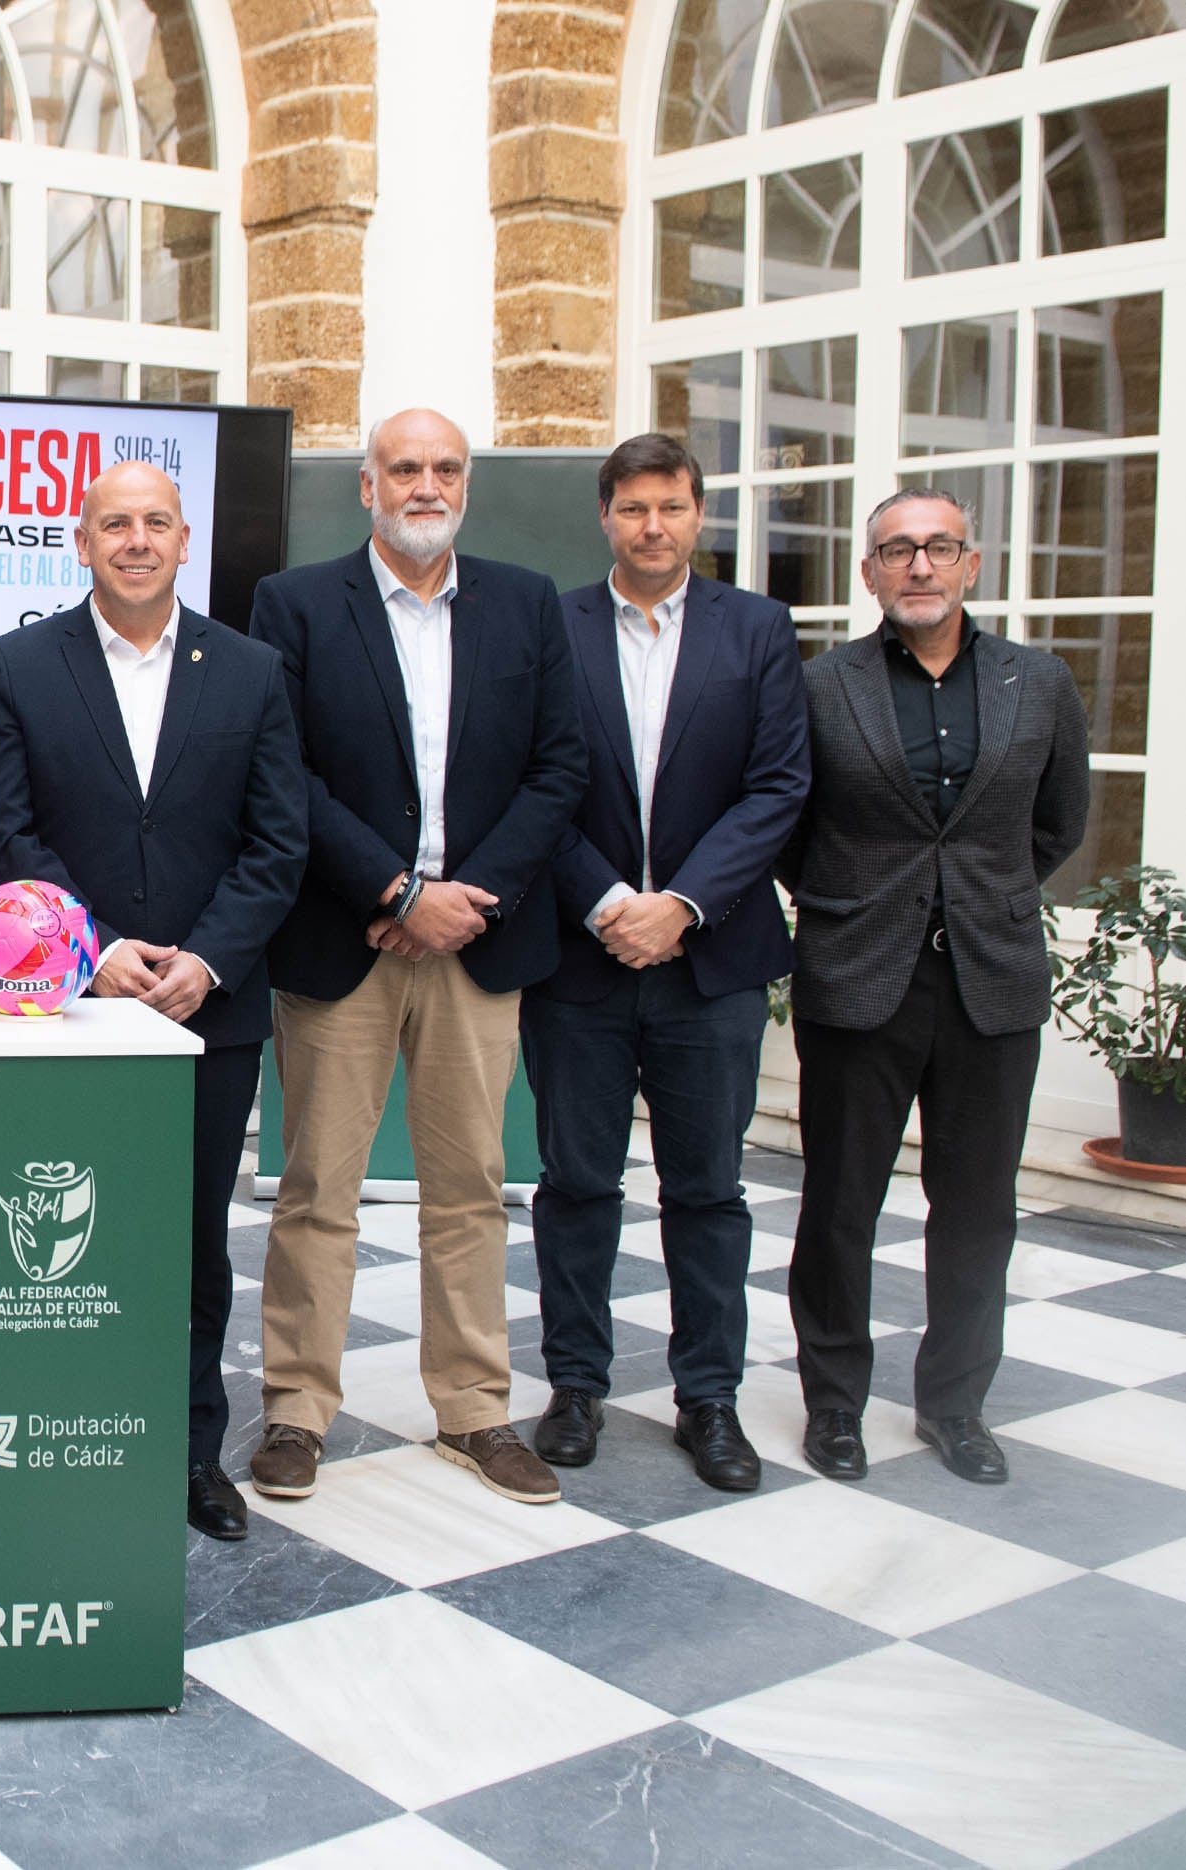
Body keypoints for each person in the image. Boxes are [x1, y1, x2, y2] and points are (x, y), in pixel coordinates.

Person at [247, 408, 588, 1508]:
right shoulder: (295, 603)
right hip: (341, 937)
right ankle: (296, 1411)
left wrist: (459, 903)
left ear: (466, 486)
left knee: (470, 1188)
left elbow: (557, 768)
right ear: (365, 485)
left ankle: (474, 1411)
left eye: (444, 468)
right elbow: (283, 773)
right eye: (404, 467)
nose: (425, 484)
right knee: (315, 1191)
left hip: (476, 943)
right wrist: (394, 891)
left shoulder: (525, 604)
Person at [0, 461, 309, 1543]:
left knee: (191, 1239)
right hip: (69, 1008)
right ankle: (71, 1436)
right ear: (78, 541)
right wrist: (98, 951)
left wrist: (202, 963)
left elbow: (276, 840)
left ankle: (188, 1452)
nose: (133, 540)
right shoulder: (17, 663)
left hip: (209, 1008)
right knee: (66, 1247)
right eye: (112, 523)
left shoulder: (250, 670)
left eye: (153, 522)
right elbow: (5, 834)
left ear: (181, 537)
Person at [783, 488, 1089, 1486]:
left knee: (976, 1210)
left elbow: (1055, 823)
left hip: (988, 984)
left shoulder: (1035, 684)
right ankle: (832, 1404)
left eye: (935, 547)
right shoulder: (821, 686)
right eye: (894, 550)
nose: (916, 565)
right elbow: (787, 827)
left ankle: (953, 1404)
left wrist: (974, 898)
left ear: (970, 563)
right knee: (836, 1205)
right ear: (865, 571)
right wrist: (859, 903)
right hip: (857, 976)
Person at [522, 434, 809, 1493]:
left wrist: (680, 906)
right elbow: (529, 784)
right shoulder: (550, 625)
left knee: (707, 1191)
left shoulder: (758, 628)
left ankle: (709, 1398)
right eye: (633, 507)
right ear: (604, 515)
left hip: (710, 961)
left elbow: (776, 786)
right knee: (576, 1185)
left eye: (671, 507)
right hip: (580, 959)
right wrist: (607, 901)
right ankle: (575, 1387)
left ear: (698, 516)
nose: (652, 526)